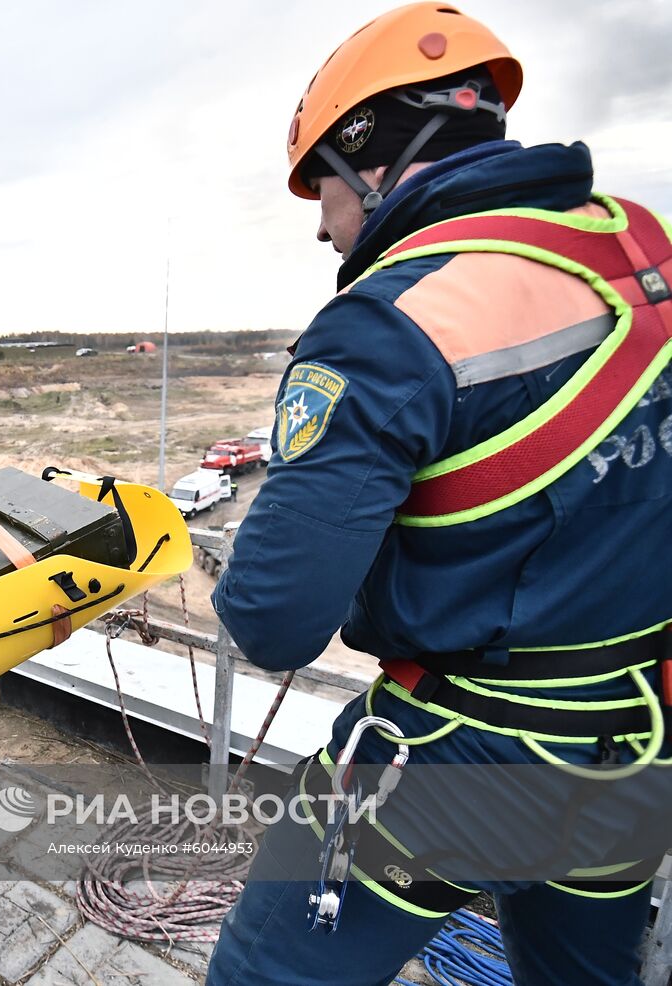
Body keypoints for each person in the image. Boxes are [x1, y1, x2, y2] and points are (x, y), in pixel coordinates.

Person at [207, 4, 671, 984]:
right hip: (634, 745)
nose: (325, 226)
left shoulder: (385, 322)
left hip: (455, 753)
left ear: (371, 157)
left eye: (321, 192)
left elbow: (274, 619)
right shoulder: (642, 254)